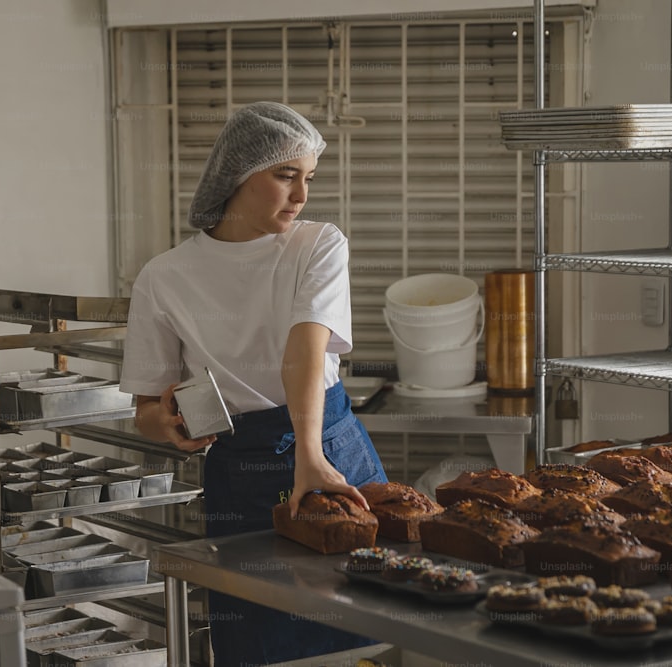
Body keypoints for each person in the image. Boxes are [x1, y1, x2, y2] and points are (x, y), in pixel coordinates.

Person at [119, 101, 388, 665]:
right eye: (285, 176)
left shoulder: (317, 244)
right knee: (259, 640)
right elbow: (147, 403)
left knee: (366, 628)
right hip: (240, 471)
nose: (302, 196)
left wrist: (310, 456)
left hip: (331, 453)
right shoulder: (163, 277)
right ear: (237, 175)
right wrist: (165, 424)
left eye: (308, 178)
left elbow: (305, 351)